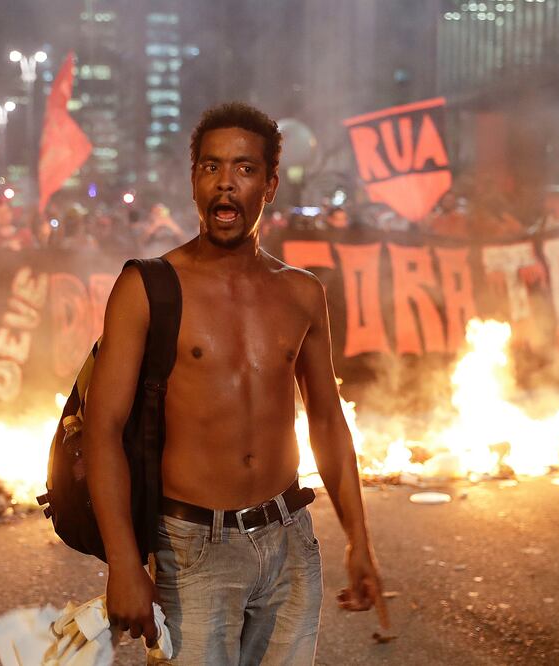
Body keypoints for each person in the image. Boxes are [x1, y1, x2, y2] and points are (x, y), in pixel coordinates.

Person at [83, 102, 388, 664]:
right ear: (194, 180)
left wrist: (358, 540)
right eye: (211, 167)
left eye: (245, 169)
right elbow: (102, 431)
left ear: (269, 186)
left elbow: (326, 419)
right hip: (192, 548)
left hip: (291, 540)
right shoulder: (145, 287)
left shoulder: (302, 293)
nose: (226, 183)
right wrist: (124, 564)